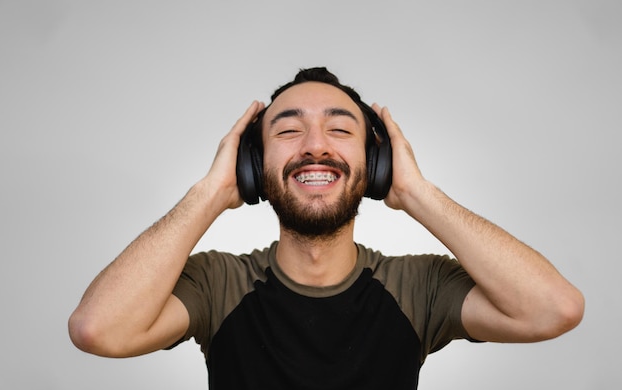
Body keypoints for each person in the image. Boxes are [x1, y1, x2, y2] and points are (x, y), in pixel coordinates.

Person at [68, 67, 584, 389]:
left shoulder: (418, 288)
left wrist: (416, 194)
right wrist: (210, 194)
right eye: (289, 130)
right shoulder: (217, 285)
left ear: (376, 166)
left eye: (340, 129)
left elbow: (553, 309)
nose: (315, 145)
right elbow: (99, 329)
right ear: (253, 167)